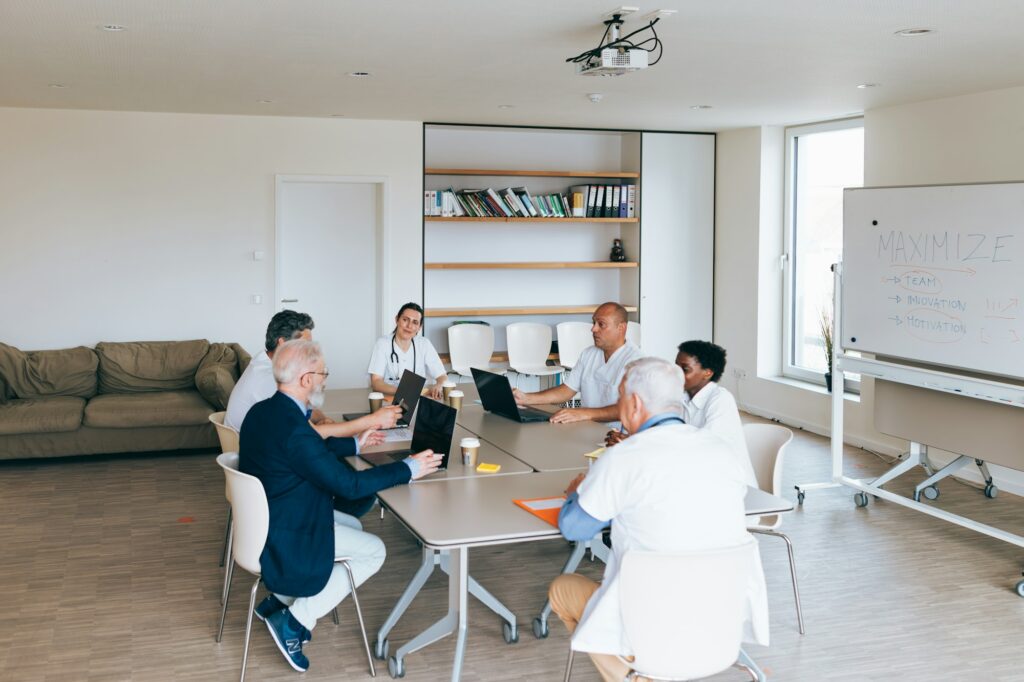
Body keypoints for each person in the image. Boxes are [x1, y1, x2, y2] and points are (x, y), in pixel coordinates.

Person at [548, 357, 769, 682]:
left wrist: (576, 493)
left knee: (562, 589)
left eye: (621, 396)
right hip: (720, 622)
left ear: (634, 403)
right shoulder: (722, 452)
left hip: (648, 624)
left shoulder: (624, 457)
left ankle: (639, 676)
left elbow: (574, 528)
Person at [239, 339, 443, 673]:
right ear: (305, 379)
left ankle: (281, 599)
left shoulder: (265, 411)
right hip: (288, 531)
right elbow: (349, 485)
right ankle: (294, 620)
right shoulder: (295, 430)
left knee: (357, 528)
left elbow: (304, 454)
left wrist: (355, 442)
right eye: (323, 373)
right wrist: (409, 468)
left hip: (269, 517)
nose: (325, 380)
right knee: (374, 551)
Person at [604, 340, 757, 488]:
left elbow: (701, 451)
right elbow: (661, 435)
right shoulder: (680, 396)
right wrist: (629, 440)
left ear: (707, 373)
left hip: (727, 486)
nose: (676, 373)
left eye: (685, 369)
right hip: (691, 479)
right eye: (675, 367)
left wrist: (637, 446)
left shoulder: (721, 400)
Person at [225, 309, 400, 435]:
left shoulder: (264, 361)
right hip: (263, 462)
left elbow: (304, 408)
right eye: (305, 345)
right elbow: (311, 432)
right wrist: (371, 421)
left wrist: (322, 418)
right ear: (282, 343)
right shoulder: (269, 378)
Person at [512, 302, 642, 425]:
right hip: (585, 427)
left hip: (616, 436)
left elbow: (630, 408)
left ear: (621, 328)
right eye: (594, 322)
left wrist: (584, 413)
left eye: (601, 324)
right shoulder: (588, 354)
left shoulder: (636, 362)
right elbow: (567, 390)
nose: (593, 329)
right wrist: (526, 398)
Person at [367, 302, 449, 400]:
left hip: (418, 399)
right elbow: (376, 382)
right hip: (389, 399)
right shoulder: (382, 344)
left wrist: (439, 385)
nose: (409, 326)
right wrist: (402, 391)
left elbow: (442, 376)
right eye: (405, 320)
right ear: (397, 320)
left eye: (415, 322)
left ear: (419, 327)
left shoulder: (424, 344)